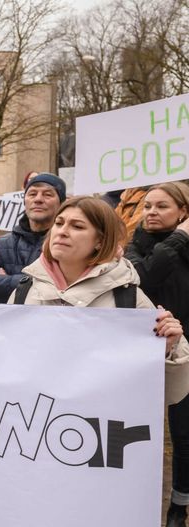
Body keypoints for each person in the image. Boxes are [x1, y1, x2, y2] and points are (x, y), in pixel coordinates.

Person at [0, 196, 189, 404]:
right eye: (59, 223)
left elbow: (167, 394)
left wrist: (168, 349)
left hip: (97, 433)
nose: (62, 231)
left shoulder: (127, 298)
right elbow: (0, 368)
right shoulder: (26, 290)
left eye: (77, 226)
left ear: (100, 240)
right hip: (35, 431)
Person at [123, 182, 189, 527]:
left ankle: (179, 503)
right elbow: (145, 277)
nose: (150, 212)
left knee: (183, 431)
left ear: (182, 212)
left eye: (161, 206)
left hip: (184, 350)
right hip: (143, 353)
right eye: (147, 205)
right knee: (136, 429)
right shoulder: (134, 248)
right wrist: (180, 238)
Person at [0, 173, 66, 303]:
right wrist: (29, 282)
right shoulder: (3, 243)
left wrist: (6, 280)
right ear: (24, 201)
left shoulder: (65, 244)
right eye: (32, 194)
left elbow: (59, 289)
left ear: (61, 203)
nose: (38, 199)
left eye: (47, 194)